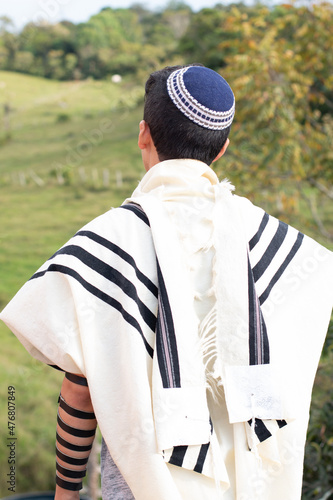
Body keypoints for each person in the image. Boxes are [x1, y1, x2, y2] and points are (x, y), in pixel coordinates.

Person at [1, 64, 333, 500]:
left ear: (143, 134)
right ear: (223, 149)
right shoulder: (286, 250)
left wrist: (66, 493)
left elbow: (79, 397)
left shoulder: (106, 246)